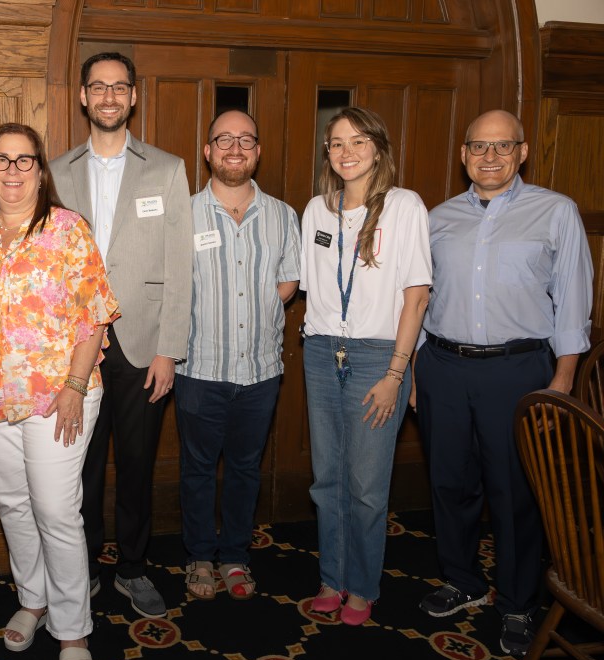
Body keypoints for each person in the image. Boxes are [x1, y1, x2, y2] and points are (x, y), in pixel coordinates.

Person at [0, 122, 118, 660]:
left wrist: (71, 385)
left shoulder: (68, 231)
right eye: (1, 160)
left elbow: (94, 314)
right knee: (14, 506)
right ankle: (33, 599)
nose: (13, 172)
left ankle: (73, 629)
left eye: (24, 161)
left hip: (59, 398)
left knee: (57, 513)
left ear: (41, 171)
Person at [415, 109, 592, 656]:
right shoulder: (438, 217)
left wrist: (563, 378)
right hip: (443, 366)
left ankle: (517, 603)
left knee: (514, 492)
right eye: (478, 147)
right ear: (463, 154)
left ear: (522, 152)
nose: (489, 157)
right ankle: (462, 581)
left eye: (501, 147)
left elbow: (574, 299)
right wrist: (419, 370)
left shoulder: (556, 212)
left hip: (518, 369)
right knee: (449, 482)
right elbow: (422, 296)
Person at [50, 52, 193, 618]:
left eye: (119, 87)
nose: (108, 96)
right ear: (83, 97)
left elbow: (181, 265)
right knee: (77, 468)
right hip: (74, 350)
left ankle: (133, 568)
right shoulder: (55, 172)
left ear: (133, 97)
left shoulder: (168, 168)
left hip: (142, 345)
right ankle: (80, 570)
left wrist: (169, 350)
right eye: (98, 87)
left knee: (136, 465)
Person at [299, 107, 431, 625]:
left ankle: (363, 586)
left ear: (378, 147)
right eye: (336, 143)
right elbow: (312, 290)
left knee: (368, 485)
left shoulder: (404, 207)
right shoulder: (315, 210)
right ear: (327, 154)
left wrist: (398, 373)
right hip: (322, 350)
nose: (347, 152)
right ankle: (331, 577)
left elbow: (416, 297)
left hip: (380, 354)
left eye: (357, 141)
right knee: (326, 479)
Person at [177, 110, 300, 600]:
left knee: (247, 469)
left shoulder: (283, 215)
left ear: (257, 151)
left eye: (246, 139)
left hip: (261, 371)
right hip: (198, 368)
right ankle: (199, 558)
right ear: (207, 151)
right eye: (223, 139)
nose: (234, 147)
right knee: (198, 470)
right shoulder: (180, 213)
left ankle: (235, 557)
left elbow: (288, 282)